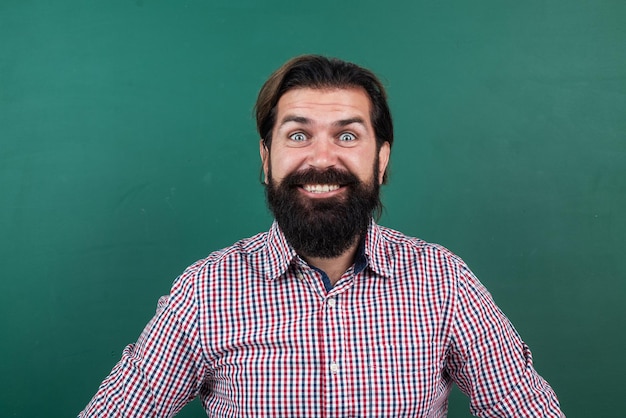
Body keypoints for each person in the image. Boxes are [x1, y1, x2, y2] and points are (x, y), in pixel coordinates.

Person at [79, 55, 565, 417]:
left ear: (382, 159)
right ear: (266, 158)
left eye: (348, 136)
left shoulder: (444, 282)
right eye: (297, 135)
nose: (322, 159)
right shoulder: (206, 291)